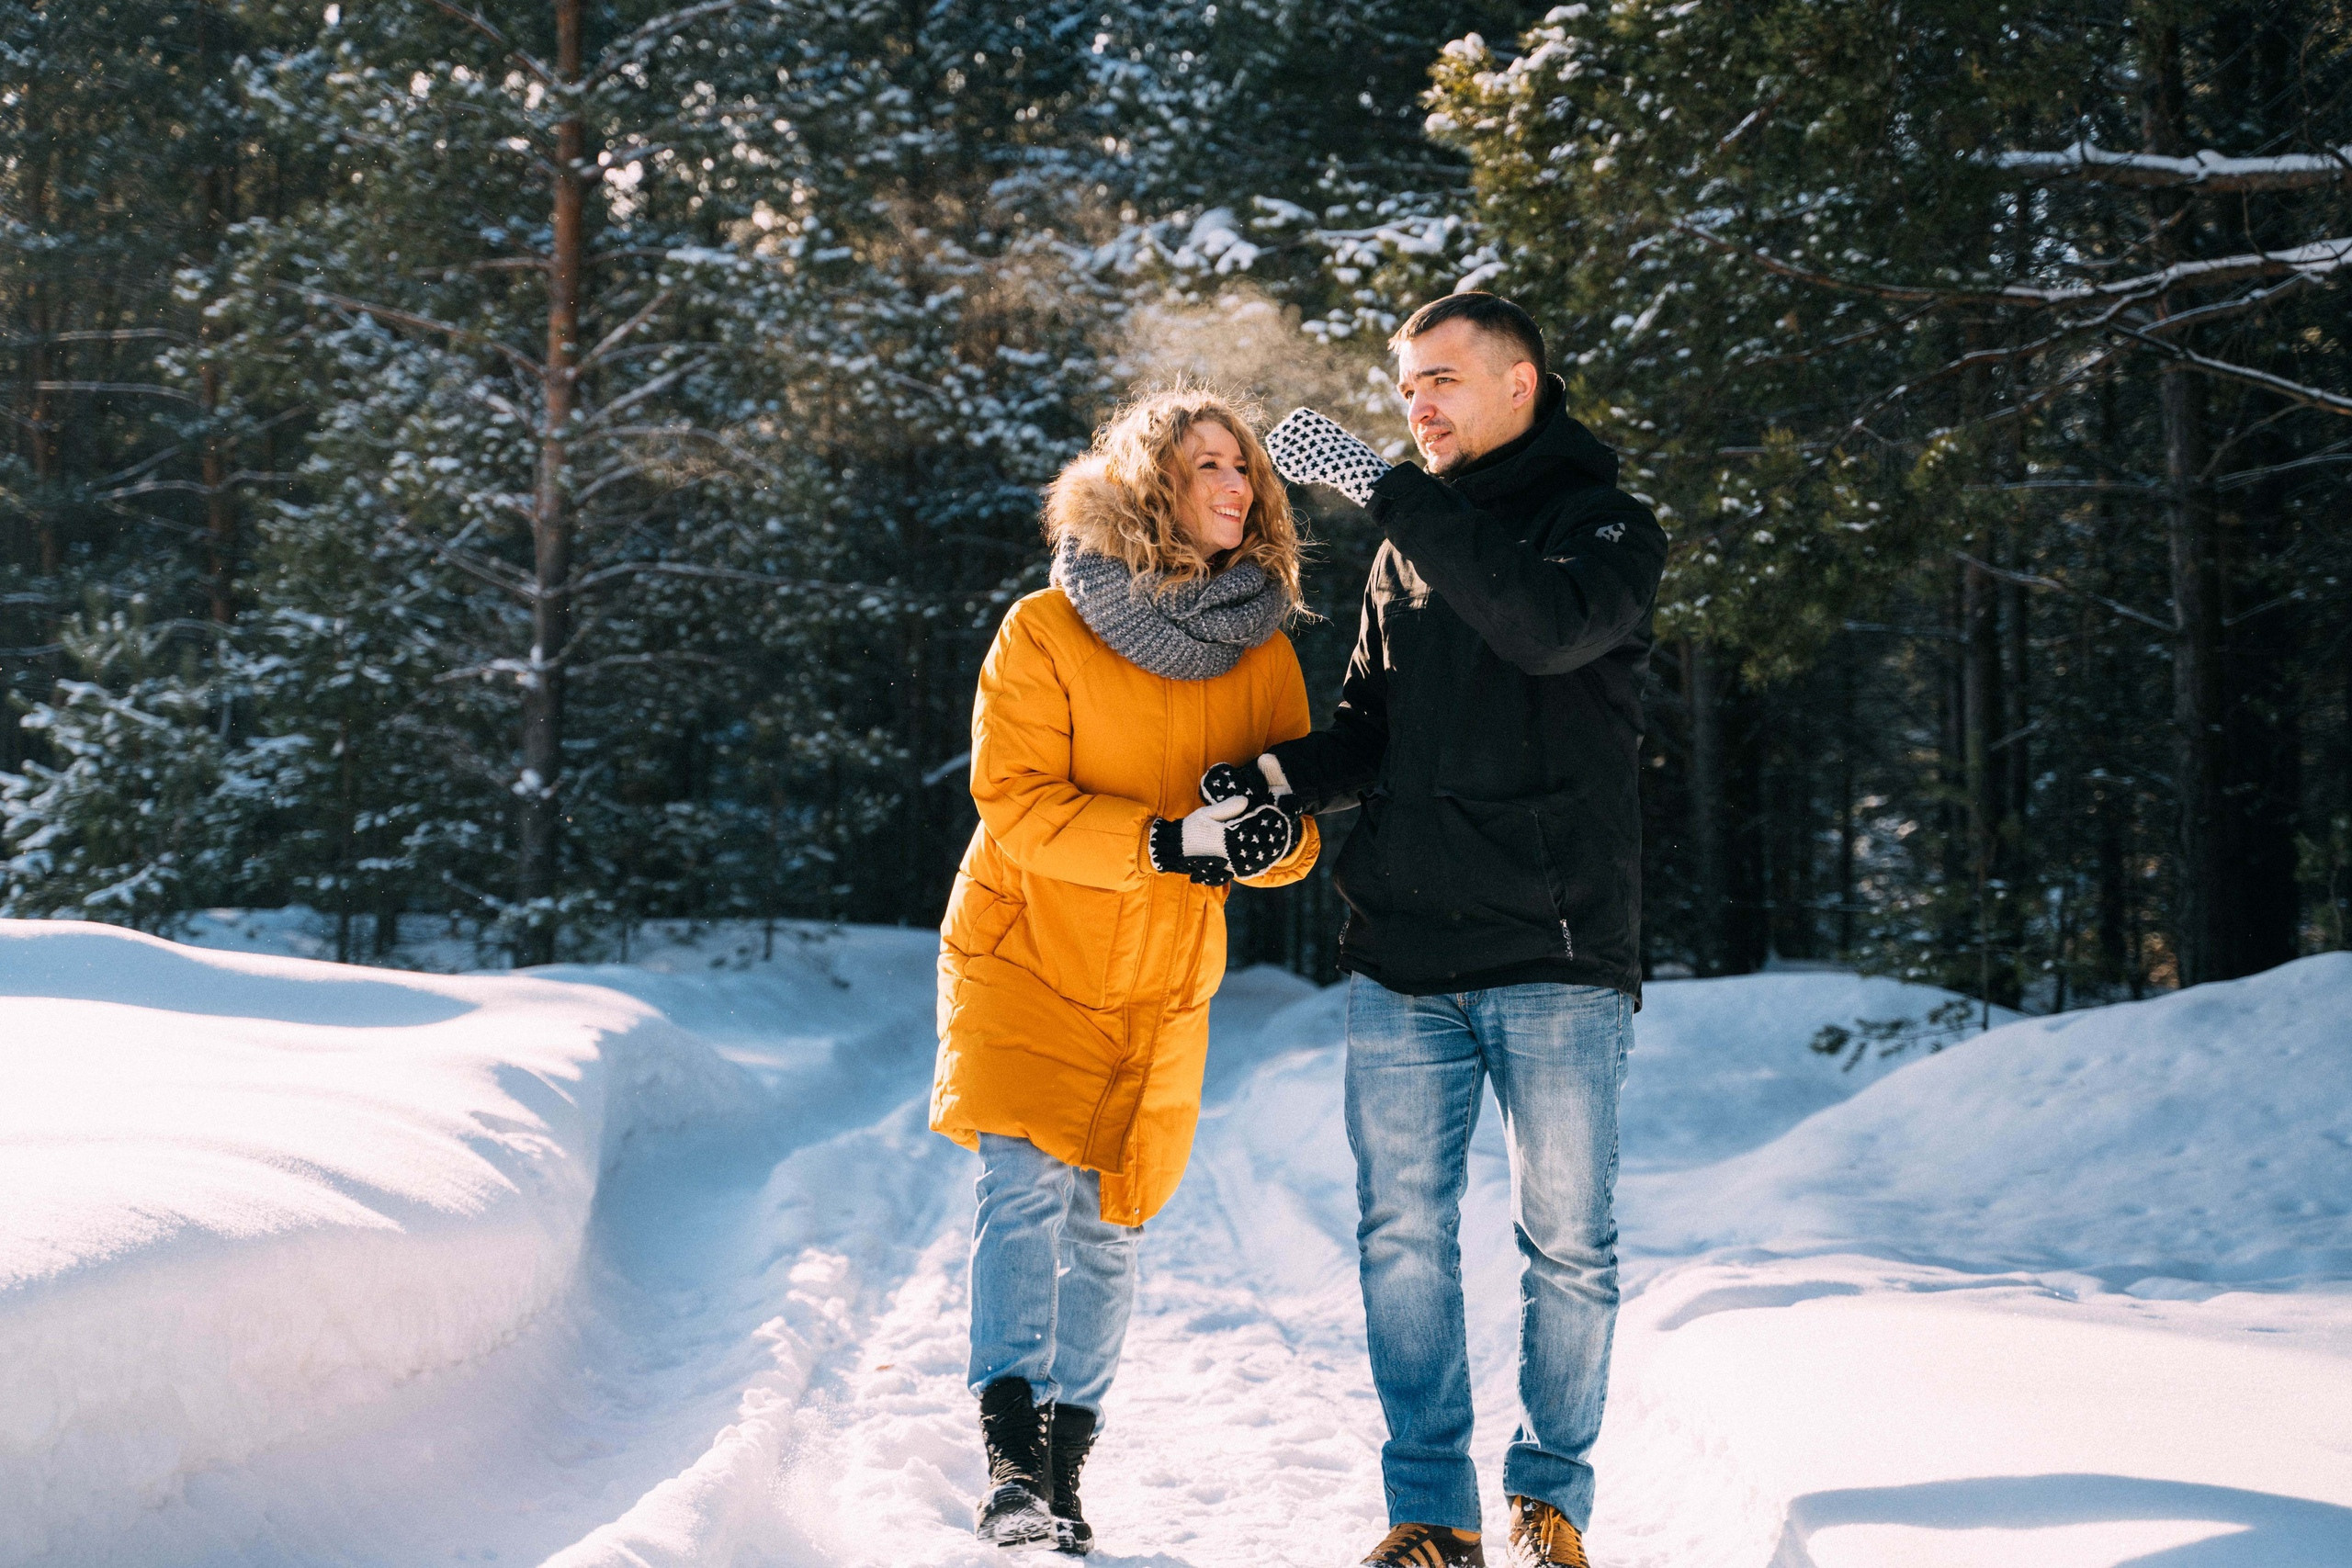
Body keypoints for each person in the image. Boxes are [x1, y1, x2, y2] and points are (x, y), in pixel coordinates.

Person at [1254, 292, 1668, 1568]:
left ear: (1520, 384)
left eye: (1440, 378)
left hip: (1552, 950)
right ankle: (1431, 1513)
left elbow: (1541, 629)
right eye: (1404, 385)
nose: (1417, 403)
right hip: (1403, 956)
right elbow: (1374, 731)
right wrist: (1268, 782)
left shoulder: (1603, 527)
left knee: (1570, 1241)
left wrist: (1391, 490)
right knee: (1400, 1238)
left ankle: (1552, 1499)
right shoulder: (1403, 545)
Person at [930, 388, 1322, 1556]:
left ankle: (1063, 1466)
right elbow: (1012, 803)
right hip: (1026, 948)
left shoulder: (1262, 649)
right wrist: (1162, 842)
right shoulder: (1044, 629)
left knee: (1110, 1221)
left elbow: (1292, 820)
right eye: (1208, 465)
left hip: (1160, 974)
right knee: (1021, 1188)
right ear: (1153, 485)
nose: (1237, 486)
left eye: (1245, 467)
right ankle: (1007, 1463)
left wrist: (1269, 846)